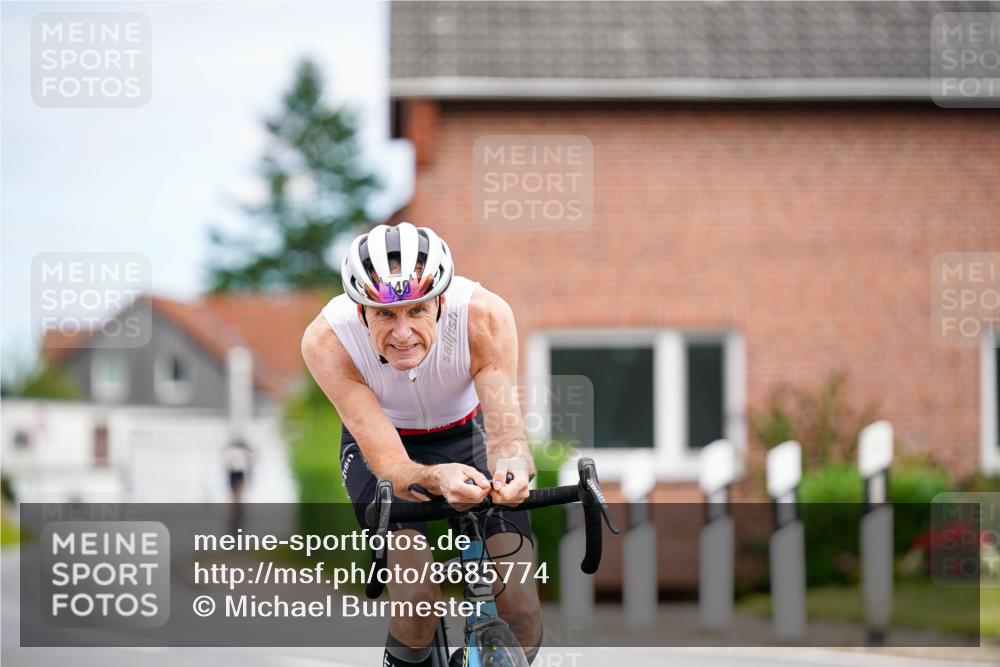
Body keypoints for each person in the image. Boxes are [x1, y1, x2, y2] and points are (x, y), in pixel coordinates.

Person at [301, 222, 541, 667]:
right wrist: (434, 476)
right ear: (360, 314)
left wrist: (513, 468)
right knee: (416, 600)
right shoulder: (327, 340)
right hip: (385, 448)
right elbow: (392, 463)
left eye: (417, 311)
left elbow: (507, 436)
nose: (403, 332)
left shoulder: (483, 316)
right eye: (385, 314)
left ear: (441, 303)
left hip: (465, 434)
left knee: (521, 604)